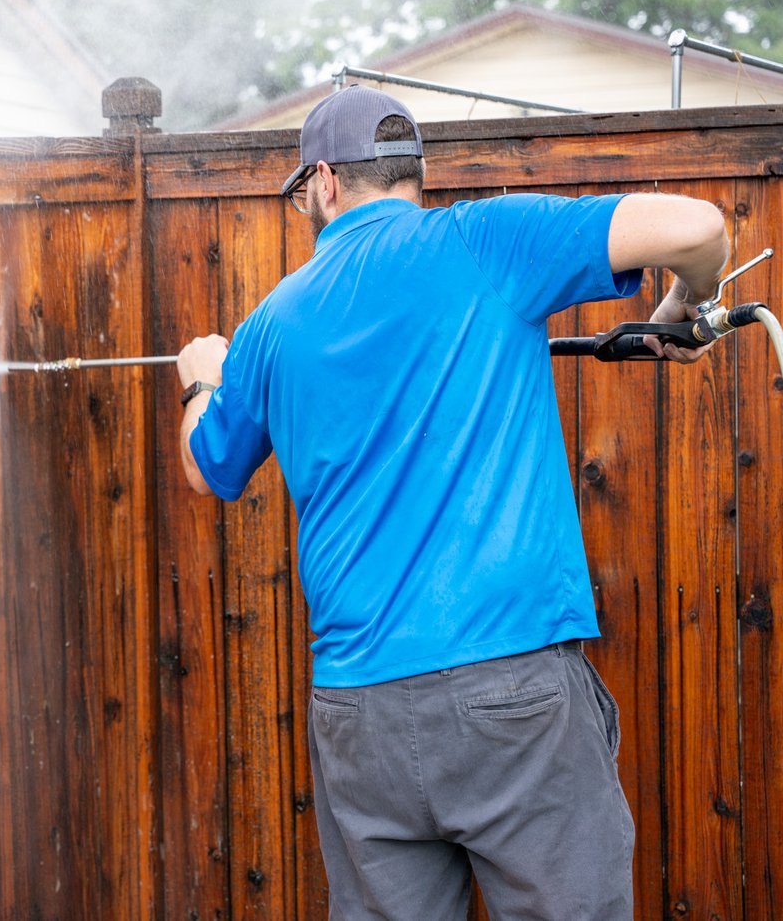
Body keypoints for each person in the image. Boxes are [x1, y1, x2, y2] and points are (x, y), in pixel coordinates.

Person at [175, 85, 728, 920]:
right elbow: (697, 228)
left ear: (323, 182)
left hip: (360, 715)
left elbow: (203, 467)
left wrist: (201, 378)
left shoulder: (270, 324)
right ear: (412, 174)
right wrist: (685, 307)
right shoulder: (484, 241)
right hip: (511, 697)